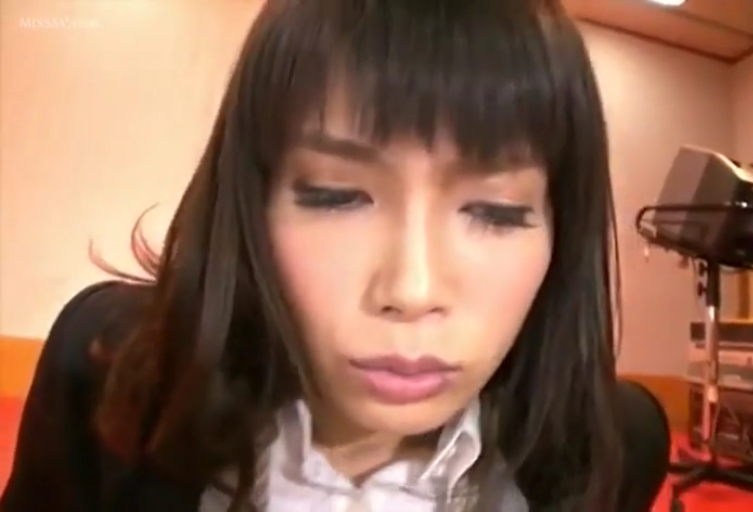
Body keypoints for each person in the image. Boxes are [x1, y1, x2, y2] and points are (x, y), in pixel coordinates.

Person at [0, 1, 672, 511]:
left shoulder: (612, 448)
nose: (411, 290)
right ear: (252, 204)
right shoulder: (108, 370)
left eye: (495, 211)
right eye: (336, 196)